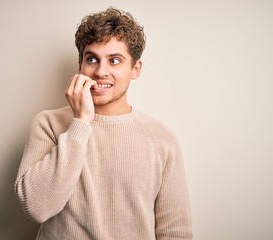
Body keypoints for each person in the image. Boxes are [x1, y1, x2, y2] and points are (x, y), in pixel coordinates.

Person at [15, 7, 193, 240]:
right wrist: (81, 122)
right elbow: (37, 207)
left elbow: (175, 232)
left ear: (135, 69)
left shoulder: (162, 139)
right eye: (92, 59)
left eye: (115, 60)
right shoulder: (48, 124)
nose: (101, 72)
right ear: (80, 65)